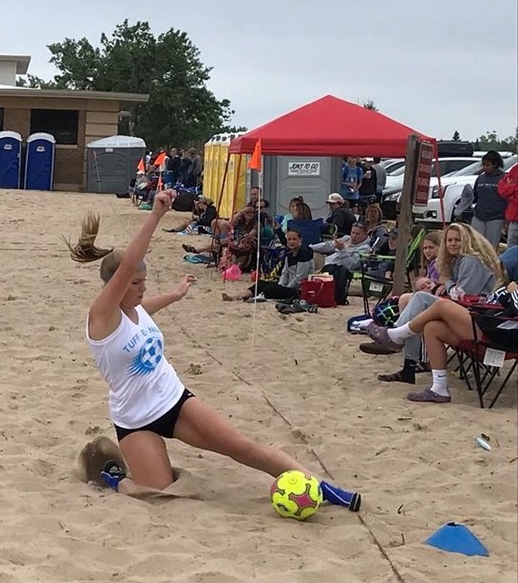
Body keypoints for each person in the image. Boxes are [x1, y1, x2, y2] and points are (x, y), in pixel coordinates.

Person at [66, 190, 361, 510]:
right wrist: (155, 217)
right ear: (117, 286)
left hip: (173, 401)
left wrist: (176, 295)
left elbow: (148, 307)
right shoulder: (101, 317)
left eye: (144, 281)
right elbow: (126, 270)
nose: (143, 288)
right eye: (136, 283)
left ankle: (324, 487)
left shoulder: (136, 310)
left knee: (241, 446)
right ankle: (113, 477)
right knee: (157, 492)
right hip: (134, 419)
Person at [367, 281, 518, 403]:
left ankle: (397, 335)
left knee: (442, 306)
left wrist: (514, 291)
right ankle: (439, 388)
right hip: (489, 325)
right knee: (433, 328)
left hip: (499, 337)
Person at [221, 228, 313, 302]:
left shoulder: (304, 255)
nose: (291, 242)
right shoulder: (289, 255)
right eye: (289, 239)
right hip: (287, 285)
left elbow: (300, 278)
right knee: (261, 283)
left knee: (271, 289)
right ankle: (238, 296)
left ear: (300, 240)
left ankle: (260, 297)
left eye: (294, 239)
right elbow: (285, 273)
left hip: (299, 290)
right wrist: (281, 285)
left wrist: (284, 288)